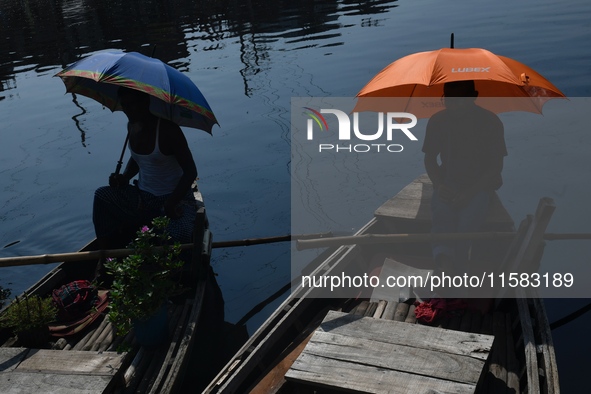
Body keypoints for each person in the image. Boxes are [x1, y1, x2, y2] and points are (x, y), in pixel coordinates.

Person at [93, 87, 198, 252]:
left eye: (132, 105)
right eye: (125, 105)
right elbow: (138, 159)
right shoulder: (132, 126)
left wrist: (171, 202)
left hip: (174, 200)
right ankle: (104, 259)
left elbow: (191, 172)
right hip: (143, 199)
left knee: (178, 236)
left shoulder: (169, 131)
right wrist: (124, 178)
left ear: (146, 102)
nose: (128, 111)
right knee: (102, 195)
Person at [422, 80, 507, 275]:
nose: (454, 106)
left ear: (474, 97)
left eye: (460, 101)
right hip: (449, 180)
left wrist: (470, 193)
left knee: (469, 220)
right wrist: (439, 185)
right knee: (441, 214)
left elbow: (496, 166)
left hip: (479, 183)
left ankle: (460, 264)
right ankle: (444, 263)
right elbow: (429, 159)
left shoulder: (490, 122)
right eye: (449, 101)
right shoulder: (438, 121)